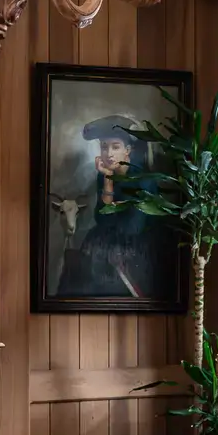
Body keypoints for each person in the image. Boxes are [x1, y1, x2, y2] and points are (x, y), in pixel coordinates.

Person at [57, 115, 174, 299]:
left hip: (140, 244)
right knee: (82, 266)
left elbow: (132, 227)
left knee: (101, 257)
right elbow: (101, 218)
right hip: (113, 238)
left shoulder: (143, 180)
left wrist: (115, 211)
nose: (109, 153)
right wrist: (108, 181)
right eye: (104, 147)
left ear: (128, 150)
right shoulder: (103, 175)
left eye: (115, 147)